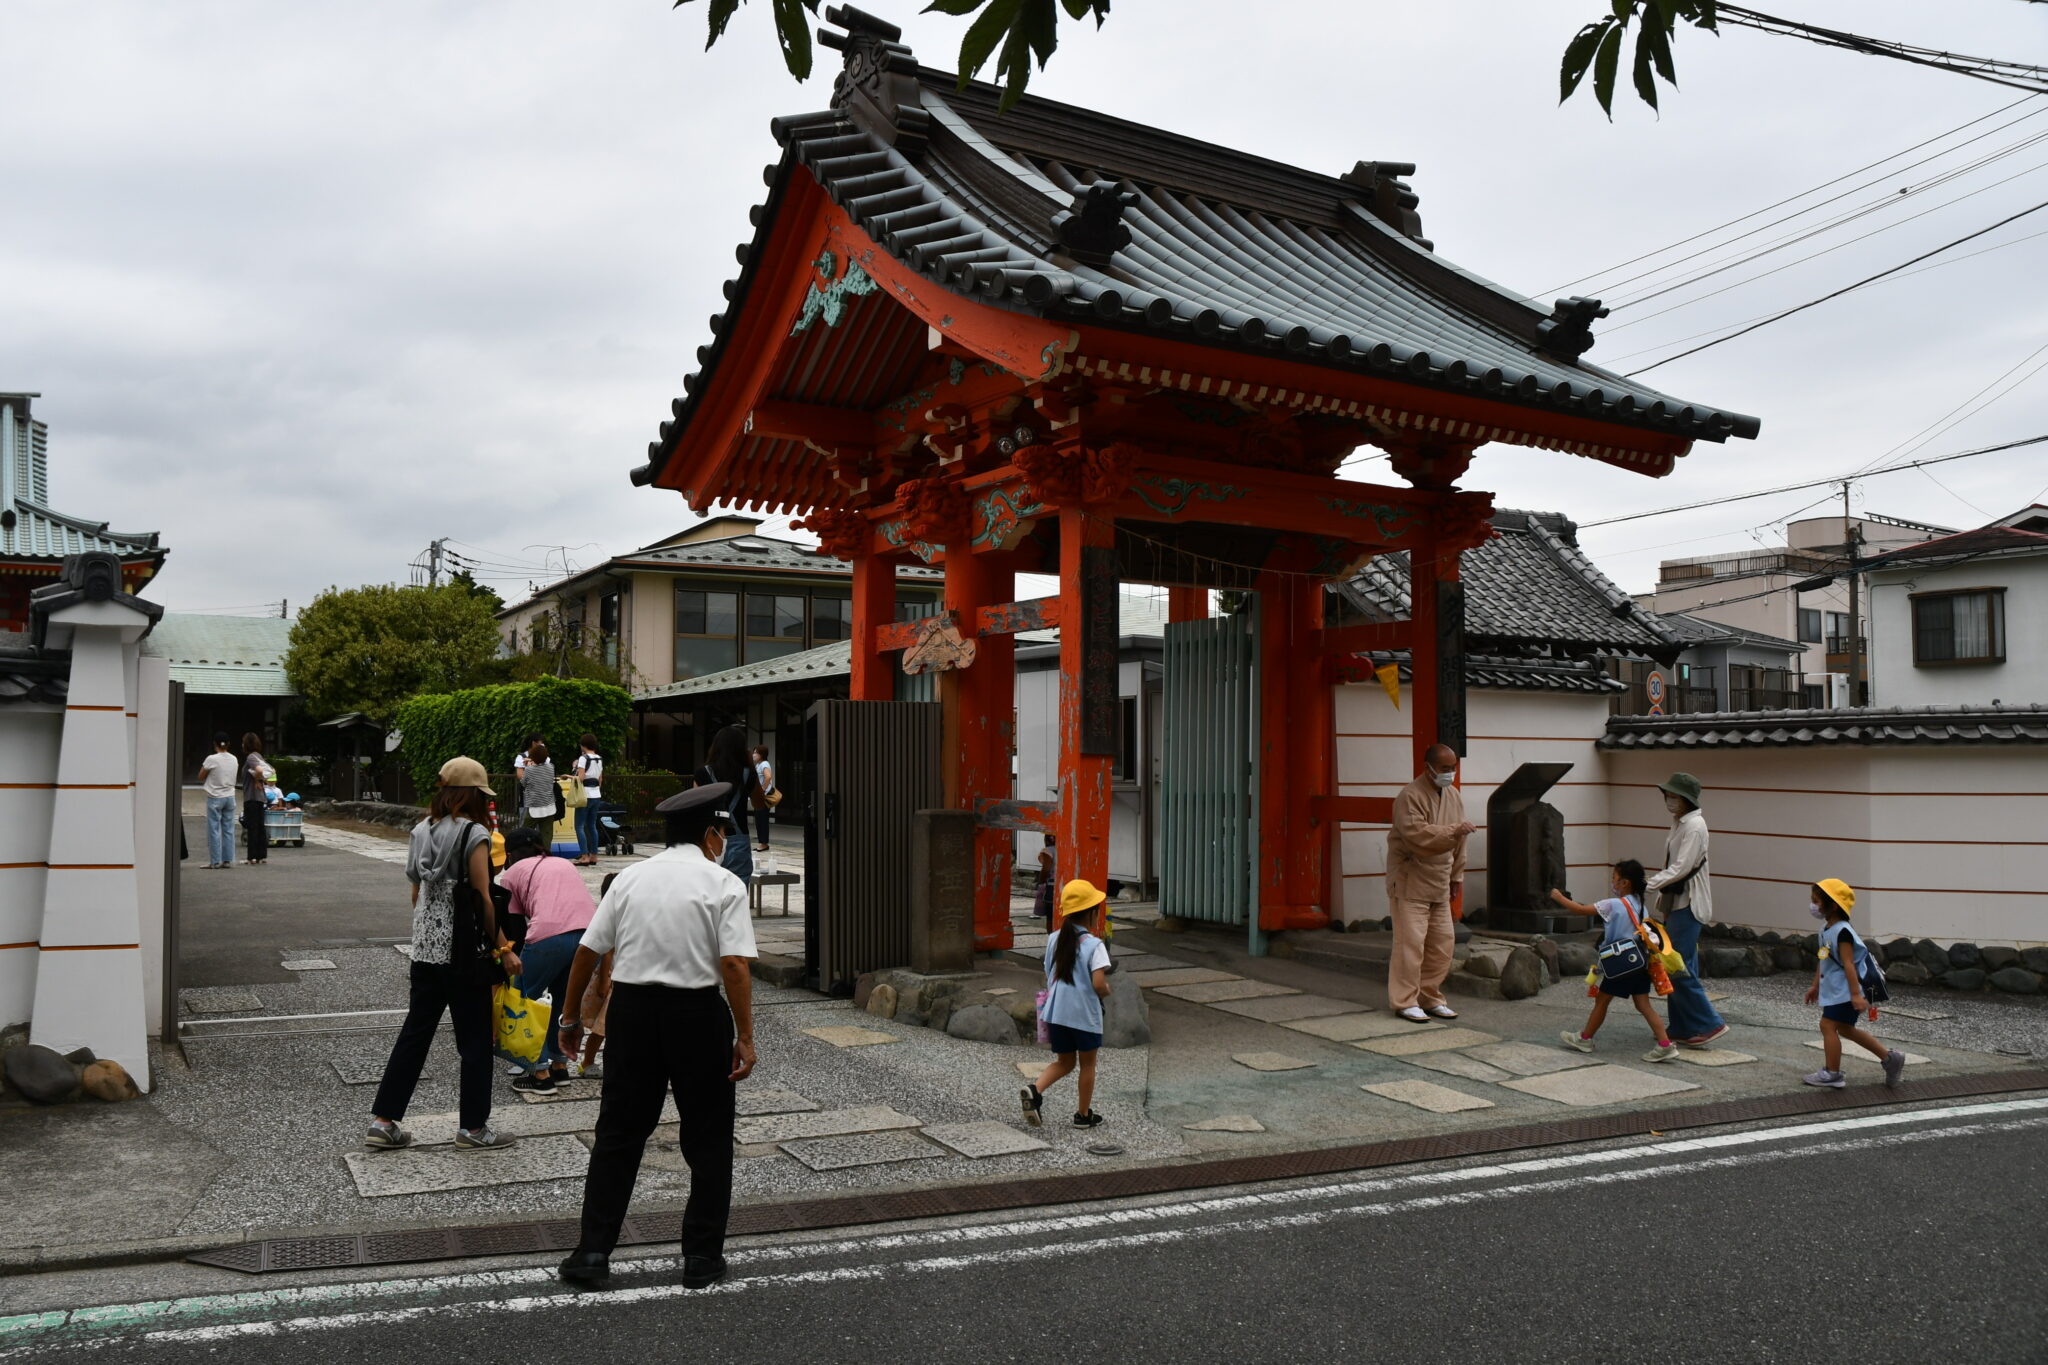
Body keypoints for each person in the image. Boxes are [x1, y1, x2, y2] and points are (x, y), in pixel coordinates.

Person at [554, 782, 756, 1291]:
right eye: (722, 833)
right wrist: (746, 1035)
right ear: (712, 832)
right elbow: (732, 963)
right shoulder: (723, 884)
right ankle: (702, 1258)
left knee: (619, 1135)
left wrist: (570, 1018)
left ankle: (592, 1253)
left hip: (634, 1015)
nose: (724, 842)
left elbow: (587, 951)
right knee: (708, 1138)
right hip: (696, 1016)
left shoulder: (628, 879)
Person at [366, 757, 521, 1152]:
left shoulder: (421, 830)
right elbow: (484, 899)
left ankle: (384, 1122)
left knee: (415, 1034)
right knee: (474, 1042)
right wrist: (504, 948)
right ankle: (472, 1128)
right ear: (470, 795)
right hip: (464, 952)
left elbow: (415, 891)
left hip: (426, 950)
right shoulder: (474, 835)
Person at [498, 825, 598, 1095]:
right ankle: (559, 1066)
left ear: (510, 854)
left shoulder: (512, 873)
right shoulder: (564, 864)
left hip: (548, 937)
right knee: (562, 1001)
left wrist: (511, 958)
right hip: (589, 938)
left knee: (523, 999)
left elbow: (515, 927)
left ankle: (539, 1073)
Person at [1385, 743, 1476, 1023]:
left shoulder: (1454, 796)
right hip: (1411, 878)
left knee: (1442, 946)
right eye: (1445, 769)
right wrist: (1453, 830)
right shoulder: (1409, 796)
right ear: (1429, 768)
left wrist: (1456, 875)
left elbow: (1459, 841)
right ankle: (1405, 1001)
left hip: (1439, 880)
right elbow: (1417, 836)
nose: (1450, 773)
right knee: (1410, 945)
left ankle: (1430, 996)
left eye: (1453, 768)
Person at [1551, 861, 1677, 1062]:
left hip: (1619, 963)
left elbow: (1581, 910)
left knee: (1602, 1001)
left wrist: (1559, 898)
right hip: (1639, 962)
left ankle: (1585, 1039)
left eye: (1614, 878)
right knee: (1644, 1005)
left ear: (1625, 883)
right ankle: (1664, 1044)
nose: (1612, 882)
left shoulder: (1614, 904)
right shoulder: (1640, 905)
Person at [1643, 772, 1730, 1049]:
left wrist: (1647, 885)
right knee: (1680, 964)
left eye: (1674, 796)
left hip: (1688, 903)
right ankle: (1683, 1025)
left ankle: (1709, 1023)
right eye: (1668, 795)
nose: (1669, 800)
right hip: (1678, 902)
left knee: (1675, 965)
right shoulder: (1681, 823)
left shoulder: (1693, 826)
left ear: (1686, 799)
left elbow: (1680, 868)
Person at [1020, 881, 1113, 1130]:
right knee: (1088, 1064)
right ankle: (1083, 1115)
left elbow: (1048, 969)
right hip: (1084, 1014)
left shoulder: (1054, 939)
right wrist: (1106, 992)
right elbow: (1099, 983)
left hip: (1056, 1012)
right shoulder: (1095, 945)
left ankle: (1035, 1090)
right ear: (1093, 912)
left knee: (1065, 1062)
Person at [1804, 879, 1906, 1090]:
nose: (1812, 905)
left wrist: (1856, 996)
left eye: (1816, 900)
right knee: (1846, 1029)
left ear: (1832, 905)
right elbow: (1824, 959)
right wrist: (1815, 986)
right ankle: (1890, 1059)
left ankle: (1832, 1074)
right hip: (1839, 990)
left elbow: (1849, 964)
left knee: (1827, 1025)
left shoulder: (1842, 932)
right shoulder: (1826, 929)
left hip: (1847, 990)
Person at [694, 725, 758, 885]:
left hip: (710, 840)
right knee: (738, 893)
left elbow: (695, 808)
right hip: (739, 842)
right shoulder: (748, 773)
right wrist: (751, 765)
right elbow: (760, 803)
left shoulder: (702, 773)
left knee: (709, 892)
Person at [197, 733, 240, 869]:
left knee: (214, 829)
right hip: (230, 796)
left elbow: (201, 776)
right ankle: (227, 860)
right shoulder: (234, 758)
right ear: (228, 744)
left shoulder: (212, 759)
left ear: (215, 744)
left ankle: (215, 861)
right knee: (228, 829)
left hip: (215, 797)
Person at [572, 734, 605, 867]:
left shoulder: (583, 758)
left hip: (584, 795)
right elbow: (600, 779)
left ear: (583, 745)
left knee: (579, 826)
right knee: (592, 826)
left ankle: (584, 856)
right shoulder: (599, 758)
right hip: (596, 795)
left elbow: (580, 778)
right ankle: (594, 855)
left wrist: (568, 775)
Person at [519, 739, 557, 852]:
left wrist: (527, 766)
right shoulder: (551, 767)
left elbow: (523, 783)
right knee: (547, 835)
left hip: (534, 806)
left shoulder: (529, 770)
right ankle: (546, 855)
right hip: (549, 805)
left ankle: (524, 853)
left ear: (532, 756)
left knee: (524, 832)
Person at [239, 732, 271, 866]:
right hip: (259, 798)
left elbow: (258, 771)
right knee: (260, 826)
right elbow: (266, 773)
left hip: (251, 797)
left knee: (252, 827)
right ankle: (261, 856)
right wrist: (260, 780)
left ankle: (251, 857)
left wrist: (258, 779)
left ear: (246, 744)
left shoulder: (251, 757)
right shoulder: (259, 756)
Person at [749, 744, 775, 854]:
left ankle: (764, 843)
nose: (754, 755)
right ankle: (762, 843)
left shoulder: (764, 763)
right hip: (760, 796)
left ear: (762, 754)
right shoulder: (758, 765)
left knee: (762, 819)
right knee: (759, 819)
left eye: (756, 753)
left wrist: (762, 790)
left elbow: (768, 777)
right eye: (754, 752)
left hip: (764, 796)